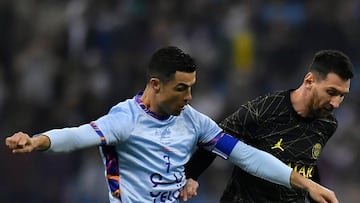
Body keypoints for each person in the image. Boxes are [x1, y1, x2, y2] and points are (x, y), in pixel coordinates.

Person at [5, 46, 339, 203]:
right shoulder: (125, 120)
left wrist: (306, 184)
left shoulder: (194, 121)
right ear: (155, 85)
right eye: (181, 88)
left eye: (192, 87)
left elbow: (245, 155)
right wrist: (36, 141)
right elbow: (77, 136)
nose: (189, 96)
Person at [183, 49, 354, 202]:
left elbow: (306, 163)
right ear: (309, 81)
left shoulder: (328, 124)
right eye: (331, 92)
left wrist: (317, 191)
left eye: (342, 95)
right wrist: (192, 175)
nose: (336, 103)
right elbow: (216, 139)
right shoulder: (266, 109)